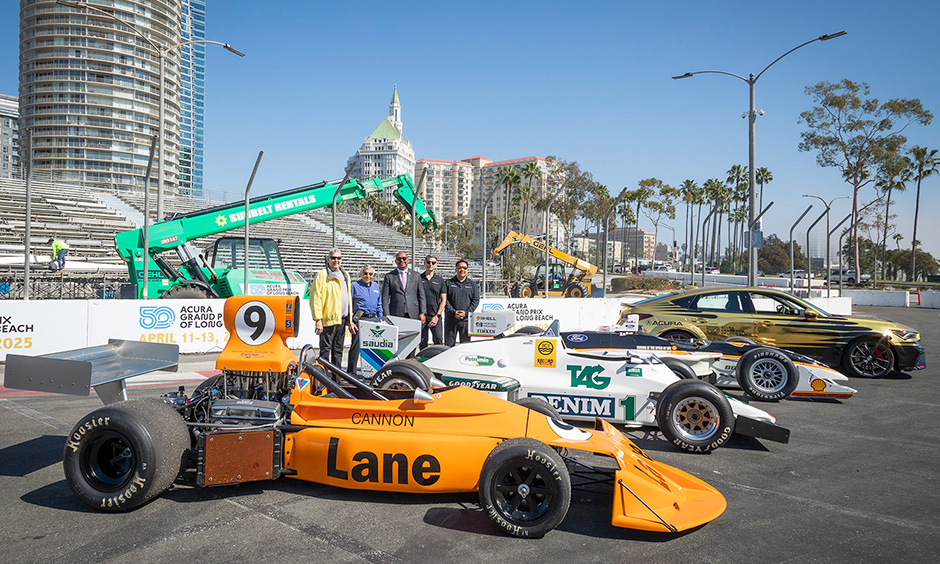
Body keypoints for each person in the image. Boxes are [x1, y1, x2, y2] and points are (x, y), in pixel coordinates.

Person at [310, 249, 355, 367]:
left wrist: (349, 320)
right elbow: (315, 298)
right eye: (333, 258)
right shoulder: (322, 275)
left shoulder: (345, 275)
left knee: (338, 352)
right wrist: (318, 320)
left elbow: (348, 298)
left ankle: (336, 380)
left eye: (338, 258)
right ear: (328, 259)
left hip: (341, 320)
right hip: (328, 320)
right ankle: (322, 381)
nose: (336, 260)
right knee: (325, 351)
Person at [347, 265, 383, 374]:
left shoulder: (376, 286)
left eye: (370, 274)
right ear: (361, 274)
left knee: (373, 346)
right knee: (356, 346)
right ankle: (351, 372)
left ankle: (372, 371)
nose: (368, 276)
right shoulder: (354, 285)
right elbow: (349, 304)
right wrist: (350, 321)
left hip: (373, 319)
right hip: (359, 318)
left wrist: (381, 318)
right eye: (365, 273)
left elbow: (379, 304)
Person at [381, 251, 425, 323]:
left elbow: (421, 295)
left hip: (413, 313)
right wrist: (386, 315)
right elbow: (385, 298)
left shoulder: (416, 275)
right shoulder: (389, 276)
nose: (402, 260)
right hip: (396, 314)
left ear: (408, 260)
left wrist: (423, 312)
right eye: (399, 259)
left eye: (404, 258)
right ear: (395, 261)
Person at [443, 259, 479, 346]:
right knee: (448, 347)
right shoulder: (448, 283)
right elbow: (445, 300)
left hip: (466, 321)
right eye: (459, 267)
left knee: (465, 346)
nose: (462, 270)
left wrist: (466, 313)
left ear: (467, 270)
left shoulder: (472, 285)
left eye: (464, 268)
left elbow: (476, 300)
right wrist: (453, 312)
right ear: (456, 269)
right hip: (451, 319)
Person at [419, 254, 446, 349]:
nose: (430, 264)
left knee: (438, 341)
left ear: (436, 265)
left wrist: (437, 316)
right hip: (421, 316)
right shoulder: (418, 278)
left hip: (435, 316)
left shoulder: (440, 280)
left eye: (433, 262)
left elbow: (443, 300)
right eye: (428, 262)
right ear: (424, 263)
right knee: (422, 342)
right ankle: (421, 362)